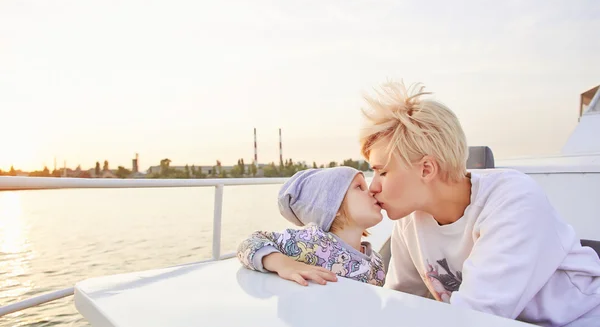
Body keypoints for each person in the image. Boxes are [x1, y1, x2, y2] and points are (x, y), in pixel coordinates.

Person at [356, 80, 600, 326]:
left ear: (427, 169)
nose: (373, 186)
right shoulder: (411, 218)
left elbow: (475, 318)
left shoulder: (513, 202)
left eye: (383, 172)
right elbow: (402, 302)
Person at [236, 166, 386, 287]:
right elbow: (248, 245)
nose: (372, 191)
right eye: (359, 187)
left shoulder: (377, 264)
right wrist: (284, 265)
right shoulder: (307, 243)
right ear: (334, 207)